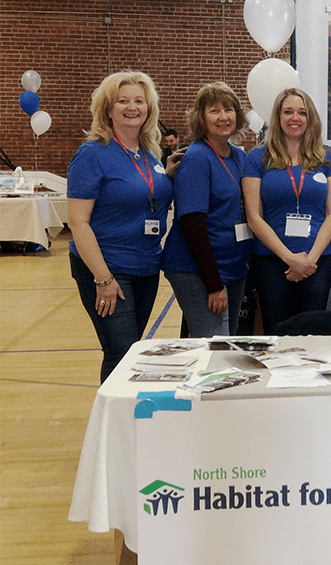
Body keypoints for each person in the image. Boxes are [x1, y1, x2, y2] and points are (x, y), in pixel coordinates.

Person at [66, 71, 174, 383]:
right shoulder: (92, 153)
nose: (132, 107)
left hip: (146, 267)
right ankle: (112, 427)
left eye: (139, 101)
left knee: (131, 352)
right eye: (123, 100)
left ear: (149, 108)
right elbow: (78, 221)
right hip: (108, 269)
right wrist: (103, 278)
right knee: (120, 351)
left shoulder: (150, 154)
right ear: (108, 108)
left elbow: (147, 193)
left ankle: (126, 419)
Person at [243, 88, 331, 334]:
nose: (294, 118)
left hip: (316, 262)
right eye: (287, 112)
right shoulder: (258, 158)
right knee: (276, 333)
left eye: (301, 112)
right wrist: (291, 259)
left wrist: (309, 260)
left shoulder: (327, 158)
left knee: (312, 335)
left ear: (311, 119)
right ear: (277, 117)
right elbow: (254, 217)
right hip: (272, 263)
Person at [160, 82, 253, 337]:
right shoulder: (197, 157)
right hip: (198, 270)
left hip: (233, 267)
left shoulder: (239, 157)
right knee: (216, 346)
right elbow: (192, 225)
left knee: (225, 342)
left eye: (229, 109)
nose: (224, 117)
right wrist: (213, 285)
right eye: (214, 111)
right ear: (201, 117)